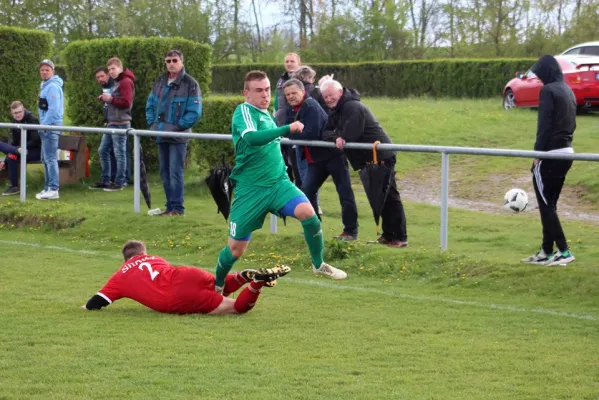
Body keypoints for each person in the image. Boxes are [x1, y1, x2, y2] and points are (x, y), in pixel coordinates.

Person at [213, 70, 347, 295]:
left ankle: (318, 264)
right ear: (246, 93)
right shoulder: (244, 111)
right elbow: (252, 139)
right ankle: (217, 285)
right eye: (259, 90)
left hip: (278, 184)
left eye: (267, 89)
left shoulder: (268, 114)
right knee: (235, 250)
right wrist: (288, 128)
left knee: (309, 213)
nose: (265, 95)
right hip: (251, 191)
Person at [81, 240, 291, 315]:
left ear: (125, 258)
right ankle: (243, 276)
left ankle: (255, 283)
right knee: (217, 286)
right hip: (186, 274)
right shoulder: (155, 258)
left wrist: (85, 308)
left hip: (176, 296)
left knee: (237, 308)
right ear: (143, 252)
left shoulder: (120, 275)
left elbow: (96, 302)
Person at [320, 79, 408, 248]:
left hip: (380, 155)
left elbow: (351, 133)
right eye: (325, 97)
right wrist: (336, 136)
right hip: (367, 159)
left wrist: (340, 135)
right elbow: (325, 132)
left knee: (389, 197)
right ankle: (388, 234)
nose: (328, 99)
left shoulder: (352, 107)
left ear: (340, 92)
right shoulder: (336, 110)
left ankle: (399, 237)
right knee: (379, 196)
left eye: (330, 95)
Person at [283, 79, 359, 241]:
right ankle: (314, 228)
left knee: (344, 193)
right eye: (287, 94)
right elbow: (293, 130)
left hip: (332, 156)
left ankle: (351, 231)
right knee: (307, 192)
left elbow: (312, 133)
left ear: (302, 92)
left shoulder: (310, 106)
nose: (291, 97)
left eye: (294, 93)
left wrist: (291, 132)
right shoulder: (295, 109)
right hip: (315, 159)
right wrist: (291, 131)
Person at [521, 55, 576, 266]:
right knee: (549, 204)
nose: (539, 78)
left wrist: (538, 153)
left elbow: (543, 126)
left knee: (546, 205)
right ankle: (546, 251)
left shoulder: (548, 91)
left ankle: (564, 251)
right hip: (567, 152)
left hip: (550, 154)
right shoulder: (567, 90)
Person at [145, 49, 202, 216]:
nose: (171, 63)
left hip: (178, 136)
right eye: (168, 61)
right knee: (164, 172)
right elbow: (150, 105)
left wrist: (178, 127)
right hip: (160, 134)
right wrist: (153, 124)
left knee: (175, 172)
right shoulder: (160, 81)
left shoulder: (191, 84)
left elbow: (194, 112)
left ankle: (177, 208)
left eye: (174, 60)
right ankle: (169, 207)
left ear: (181, 62)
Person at [91, 58, 136, 192]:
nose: (111, 72)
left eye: (113, 69)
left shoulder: (126, 82)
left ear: (120, 68)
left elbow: (127, 103)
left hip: (121, 123)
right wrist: (106, 99)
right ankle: (106, 180)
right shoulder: (117, 82)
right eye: (109, 69)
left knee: (119, 153)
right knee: (103, 150)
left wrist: (110, 99)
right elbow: (116, 100)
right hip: (111, 123)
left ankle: (120, 182)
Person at [36, 59, 64, 200]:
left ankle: (54, 189)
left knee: (50, 158)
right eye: (42, 70)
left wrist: (43, 126)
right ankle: (47, 188)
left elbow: (53, 110)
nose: (44, 72)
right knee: (45, 158)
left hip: (50, 127)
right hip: (46, 127)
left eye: (47, 69)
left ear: (52, 71)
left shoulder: (52, 86)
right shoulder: (45, 85)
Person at [0, 101, 41, 196]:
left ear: (23, 109)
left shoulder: (32, 119)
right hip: (20, 150)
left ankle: (14, 186)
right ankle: (14, 186)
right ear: (12, 113)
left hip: (36, 150)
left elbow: (36, 141)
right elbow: (13, 143)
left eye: (20, 112)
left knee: (13, 154)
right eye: (15, 113)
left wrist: (21, 147)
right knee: (10, 156)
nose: (18, 115)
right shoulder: (14, 122)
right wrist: (4, 162)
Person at [274, 53, 302, 189]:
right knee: (284, 163)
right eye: (287, 61)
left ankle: (309, 200)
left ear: (298, 63)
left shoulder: (302, 79)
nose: (289, 63)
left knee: (300, 166)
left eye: (292, 61)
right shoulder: (281, 80)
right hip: (281, 125)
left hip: (297, 125)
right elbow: (275, 103)